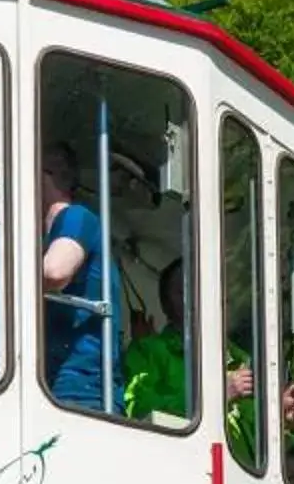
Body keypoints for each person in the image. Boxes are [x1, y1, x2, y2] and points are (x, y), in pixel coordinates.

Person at [38, 143, 124, 411]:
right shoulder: (45, 239)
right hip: (57, 381)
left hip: (81, 388)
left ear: (41, 177)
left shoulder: (76, 217)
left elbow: (55, 272)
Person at [119, 259, 192, 420]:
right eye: (181, 291)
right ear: (166, 305)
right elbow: (138, 408)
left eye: (199, 289)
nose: (191, 298)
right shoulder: (147, 349)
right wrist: (210, 399)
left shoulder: (238, 356)